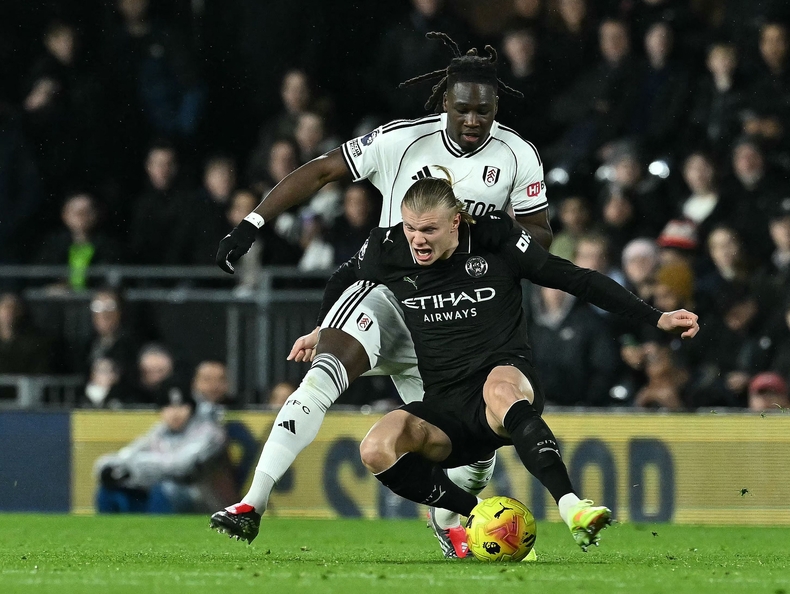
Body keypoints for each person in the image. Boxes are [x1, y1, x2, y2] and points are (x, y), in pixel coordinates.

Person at [211, 32, 553, 554]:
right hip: (388, 295)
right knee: (321, 376)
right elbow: (322, 170)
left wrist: (491, 236)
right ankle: (252, 503)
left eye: (482, 112)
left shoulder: (517, 154)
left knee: (473, 453)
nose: (472, 120)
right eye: (462, 109)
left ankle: (450, 520)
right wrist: (253, 222)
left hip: (458, 319)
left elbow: (540, 235)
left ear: (496, 108)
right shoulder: (401, 140)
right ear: (445, 102)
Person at [318, 175, 699, 553]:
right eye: (410, 227)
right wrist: (323, 330)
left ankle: (572, 506)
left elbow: (574, 278)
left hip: (503, 380)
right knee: (376, 448)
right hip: (445, 405)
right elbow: (341, 280)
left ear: (455, 222)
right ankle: (475, 513)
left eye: (429, 229)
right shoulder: (386, 248)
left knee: (498, 388)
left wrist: (656, 317)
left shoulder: (495, 238)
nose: (417, 239)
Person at [94, 381, 236, 513]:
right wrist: (108, 467)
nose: (175, 413)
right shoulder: (160, 432)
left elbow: (181, 465)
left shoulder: (209, 431)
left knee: (165, 488)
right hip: (164, 496)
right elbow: (126, 455)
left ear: (192, 408)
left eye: (181, 406)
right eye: (168, 406)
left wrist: (133, 468)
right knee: (108, 490)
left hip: (206, 500)